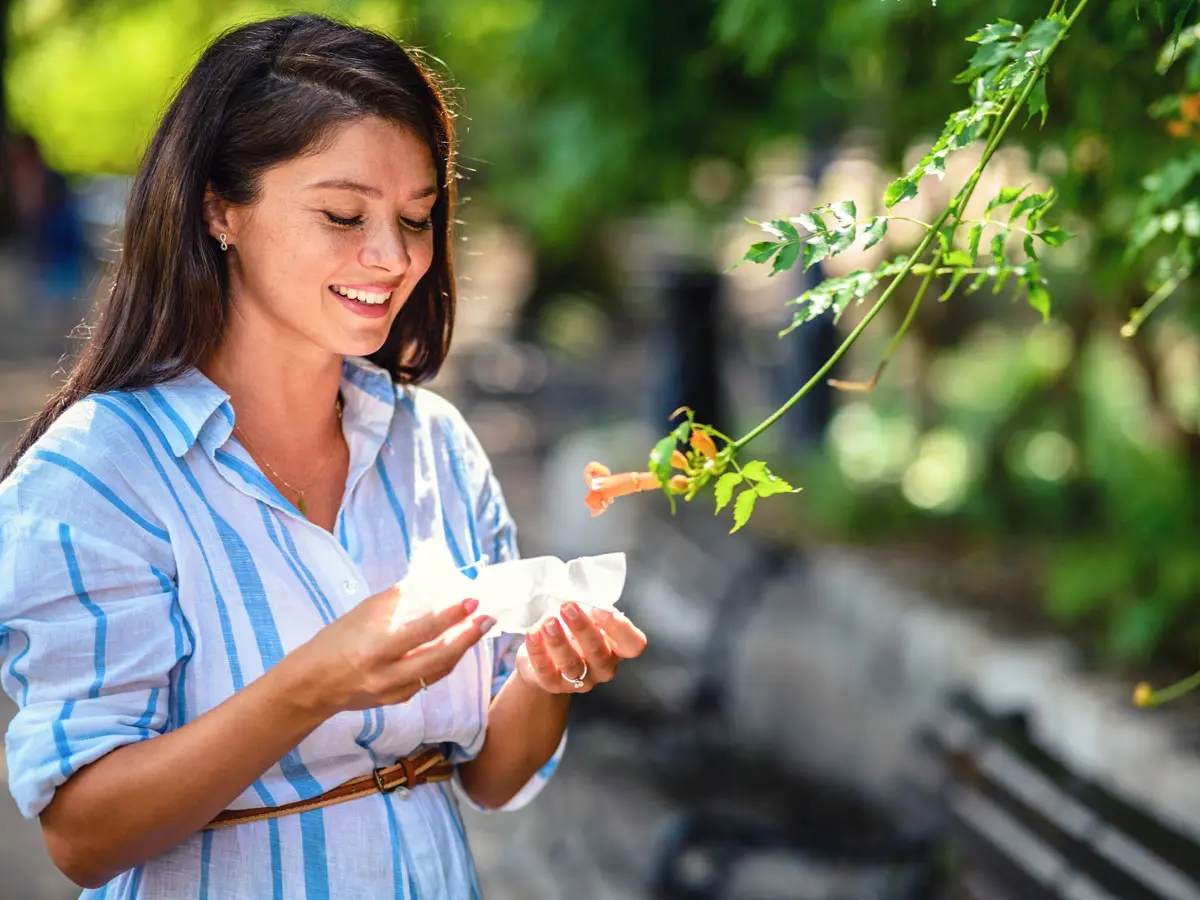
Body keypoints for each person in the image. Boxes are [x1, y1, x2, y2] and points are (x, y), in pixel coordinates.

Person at [0, 14, 647, 898]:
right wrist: (314, 684)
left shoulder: (438, 448)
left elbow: (490, 776)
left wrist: (542, 674)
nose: (393, 257)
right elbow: (81, 834)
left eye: (417, 217)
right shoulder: (96, 478)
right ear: (218, 208)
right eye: (344, 214)